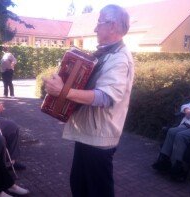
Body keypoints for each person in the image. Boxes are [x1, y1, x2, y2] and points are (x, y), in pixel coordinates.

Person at [43, 5, 134, 197]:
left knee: (97, 191)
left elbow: (105, 97)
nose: (95, 29)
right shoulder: (106, 53)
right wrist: (63, 81)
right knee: (79, 186)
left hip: (98, 138)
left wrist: (63, 91)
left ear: (112, 26)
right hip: (88, 134)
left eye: (99, 22)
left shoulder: (119, 59)